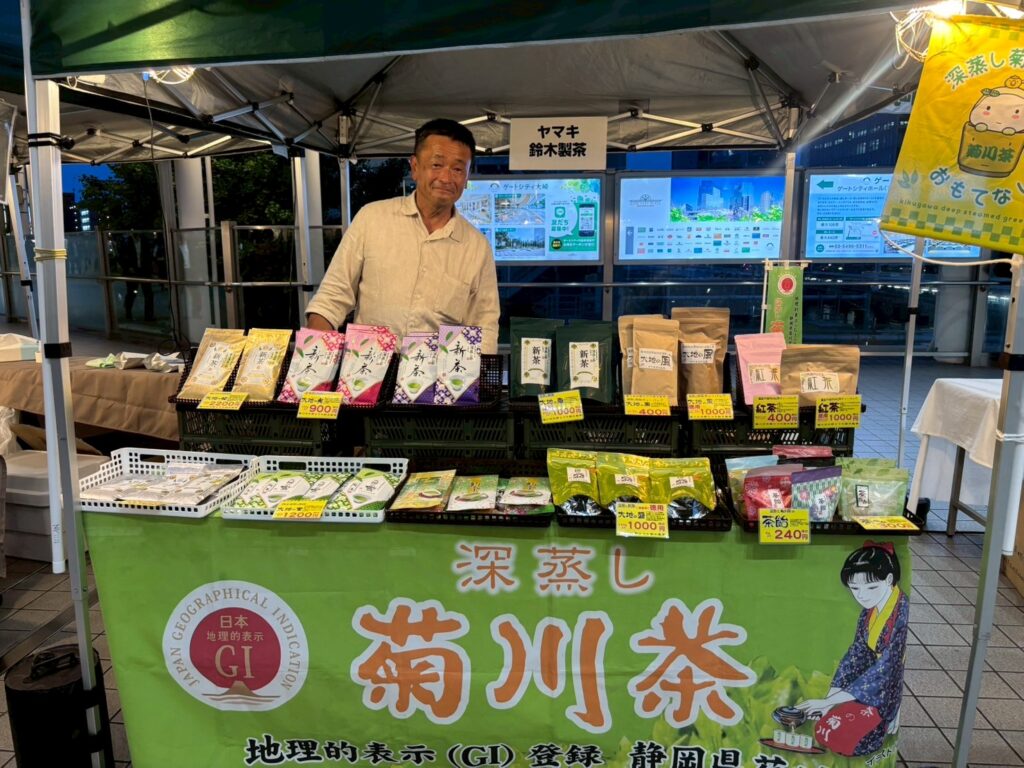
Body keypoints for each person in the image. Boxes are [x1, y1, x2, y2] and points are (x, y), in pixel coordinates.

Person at [305, 119, 500, 353]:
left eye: (458, 169)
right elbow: (332, 296)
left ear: (467, 177)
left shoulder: (477, 247)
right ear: (415, 167)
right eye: (437, 164)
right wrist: (312, 360)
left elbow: (484, 326)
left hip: (437, 373)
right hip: (367, 369)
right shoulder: (372, 218)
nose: (446, 178)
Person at [793, 541, 908, 757]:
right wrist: (830, 699)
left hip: (885, 688)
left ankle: (883, 719)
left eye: (871, 587)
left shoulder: (901, 611)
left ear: (889, 579)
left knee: (846, 739)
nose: (862, 595)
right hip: (869, 685)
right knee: (825, 729)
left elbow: (887, 667)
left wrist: (832, 701)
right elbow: (857, 654)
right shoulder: (869, 612)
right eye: (855, 588)